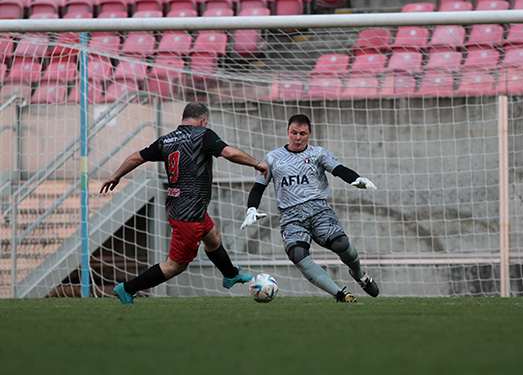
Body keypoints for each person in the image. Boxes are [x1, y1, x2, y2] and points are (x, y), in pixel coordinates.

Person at [101, 102, 268, 305]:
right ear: (203, 120)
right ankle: (127, 289)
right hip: (187, 213)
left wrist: (116, 176)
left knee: (213, 237)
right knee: (175, 266)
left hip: (182, 205)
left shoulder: (167, 140)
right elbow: (230, 153)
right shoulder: (202, 134)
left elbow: (137, 157)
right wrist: (258, 164)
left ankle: (230, 274)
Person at [240, 114, 379, 302]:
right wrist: (251, 209)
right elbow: (258, 187)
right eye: (294, 133)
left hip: (319, 211)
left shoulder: (318, 153)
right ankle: (340, 294)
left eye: (302, 133)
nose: (298, 137)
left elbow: (338, 169)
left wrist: (355, 178)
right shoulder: (272, 158)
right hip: (291, 216)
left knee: (342, 245)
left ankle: (359, 275)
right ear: (287, 132)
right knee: (297, 254)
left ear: (309, 134)